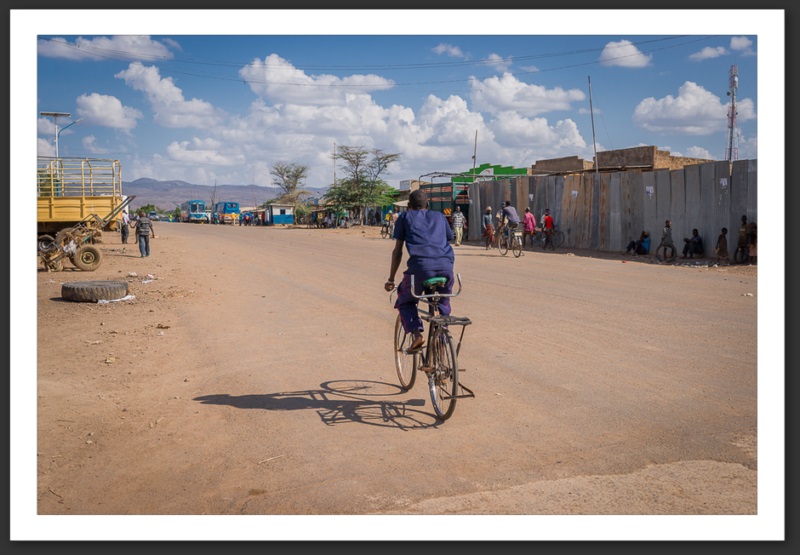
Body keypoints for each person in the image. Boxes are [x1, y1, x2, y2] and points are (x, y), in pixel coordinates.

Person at [384, 189, 455, 351]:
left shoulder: (405, 217)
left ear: (408, 206)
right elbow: (446, 241)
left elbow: (398, 251)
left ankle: (417, 334)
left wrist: (391, 279)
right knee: (442, 303)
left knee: (405, 300)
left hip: (420, 270)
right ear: (428, 205)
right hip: (446, 269)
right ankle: (441, 339)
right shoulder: (439, 217)